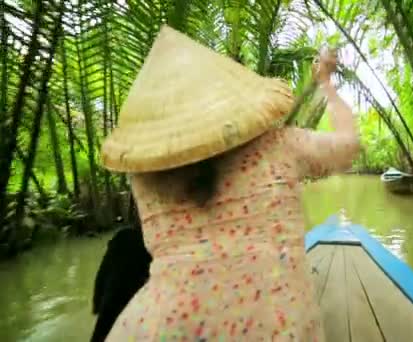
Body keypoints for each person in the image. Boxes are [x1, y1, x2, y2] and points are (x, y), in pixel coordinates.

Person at [99, 25, 359, 341]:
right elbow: (348, 146)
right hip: (282, 327)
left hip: (160, 329)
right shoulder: (279, 144)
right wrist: (326, 84)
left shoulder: (143, 174)